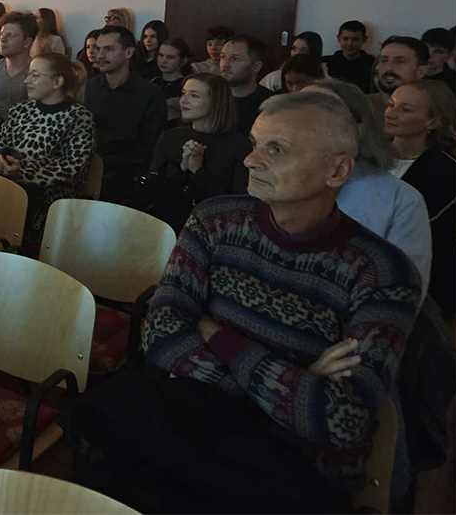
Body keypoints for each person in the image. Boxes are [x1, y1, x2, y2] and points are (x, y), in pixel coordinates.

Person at [76, 92, 421, 514]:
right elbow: (161, 334)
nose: (250, 161)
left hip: (285, 472)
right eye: (256, 144)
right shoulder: (214, 220)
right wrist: (295, 381)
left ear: (337, 170)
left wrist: (214, 333)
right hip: (184, 435)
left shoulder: (382, 272)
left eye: (276, 149)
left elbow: (340, 420)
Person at [303, 79, 431, 289]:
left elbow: (404, 289)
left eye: (319, 115)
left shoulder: (401, 200)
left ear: (358, 128)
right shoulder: (271, 182)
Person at [0, 52, 95, 242]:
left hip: (48, 200)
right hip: (9, 188)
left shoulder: (78, 117)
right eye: (28, 74)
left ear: (57, 81)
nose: (27, 81)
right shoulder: (20, 110)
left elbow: (71, 167)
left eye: (35, 75)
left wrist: (23, 171)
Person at [385, 80, 456, 318]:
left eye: (404, 109)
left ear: (432, 121)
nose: (391, 114)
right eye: (391, 104)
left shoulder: (448, 172)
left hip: (423, 283)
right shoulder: (368, 157)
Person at [146, 74, 249, 231]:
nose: (183, 101)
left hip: (215, 229)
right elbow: (153, 190)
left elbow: (236, 207)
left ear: (216, 102)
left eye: (194, 95)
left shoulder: (239, 146)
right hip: (167, 226)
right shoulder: (170, 136)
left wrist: (198, 170)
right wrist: (182, 168)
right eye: (183, 93)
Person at [84, 26, 166, 205]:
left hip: (127, 178)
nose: (100, 55)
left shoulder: (150, 94)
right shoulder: (91, 87)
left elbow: (151, 148)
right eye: (98, 48)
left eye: (109, 49)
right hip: (89, 171)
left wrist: (103, 162)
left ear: (128, 52)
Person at [0, 11, 37, 120]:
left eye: (10, 35)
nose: (2, 39)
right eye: (1, 34)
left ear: (27, 42)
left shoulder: (38, 73)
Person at [368, 35, 429, 125]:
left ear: (421, 71)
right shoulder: (360, 105)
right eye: (384, 61)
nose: (388, 68)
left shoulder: (432, 108)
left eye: (399, 62)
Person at [218, 35, 273, 134]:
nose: (225, 65)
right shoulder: (210, 95)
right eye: (223, 57)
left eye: (235, 59)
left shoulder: (270, 104)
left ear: (256, 66)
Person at [260, 31, 325, 91]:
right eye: (294, 49)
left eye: (303, 50)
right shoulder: (275, 77)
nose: (296, 53)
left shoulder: (323, 80)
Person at [323, 20, 375, 93]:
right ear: (338, 38)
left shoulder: (372, 64)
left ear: (364, 40)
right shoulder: (326, 63)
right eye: (345, 39)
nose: (350, 43)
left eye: (355, 39)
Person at [151, 37, 192, 125]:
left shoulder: (187, 85)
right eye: (161, 55)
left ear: (183, 61)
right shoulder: (153, 81)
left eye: (170, 57)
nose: (163, 61)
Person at [421, 26, 456, 97]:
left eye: (438, 52)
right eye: (426, 49)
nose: (430, 56)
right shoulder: (410, 73)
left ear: (449, 56)